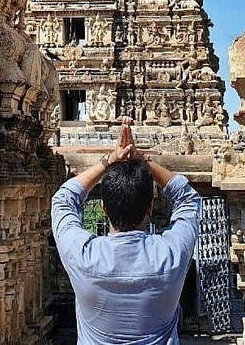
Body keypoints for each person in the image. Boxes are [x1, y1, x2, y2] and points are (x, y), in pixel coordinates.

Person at [51, 117, 200, 344]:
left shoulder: (83, 256)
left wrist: (109, 160)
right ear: (150, 207)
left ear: (103, 208)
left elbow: (64, 199)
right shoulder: (171, 254)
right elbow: (187, 198)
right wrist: (143, 160)